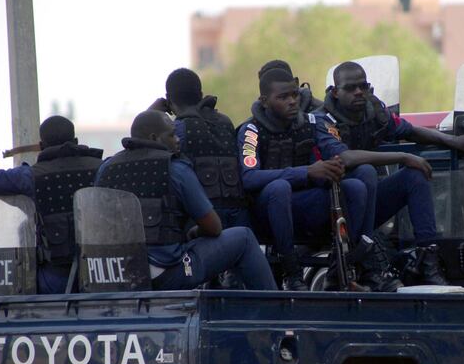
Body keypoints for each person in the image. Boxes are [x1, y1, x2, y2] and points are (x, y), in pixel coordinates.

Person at [312, 61, 464, 285]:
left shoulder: (374, 111)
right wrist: (403, 157)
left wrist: (453, 140)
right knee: (365, 171)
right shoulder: (321, 120)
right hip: (331, 208)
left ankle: (428, 261)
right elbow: (345, 158)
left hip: (365, 206)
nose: (358, 92)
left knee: (414, 175)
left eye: (363, 86)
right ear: (335, 92)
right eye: (350, 87)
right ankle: (367, 263)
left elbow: (410, 130)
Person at [238, 67, 399, 292]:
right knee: (279, 187)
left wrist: (333, 166)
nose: (293, 101)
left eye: (294, 94)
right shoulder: (251, 130)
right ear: (265, 101)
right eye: (283, 97)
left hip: (303, 205)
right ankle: (292, 273)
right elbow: (249, 177)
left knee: (356, 184)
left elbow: (336, 150)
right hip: (266, 214)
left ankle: (349, 265)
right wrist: (307, 172)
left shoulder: (312, 122)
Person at [94, 110, 277, 291]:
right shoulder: (175, 168)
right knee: (244, 237)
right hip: (165, 273)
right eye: (172, 134)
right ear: (154, 138)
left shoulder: (107, 169)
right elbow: (214, 227)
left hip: (113, 273)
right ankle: (274, 315)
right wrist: (194, 232)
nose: (178, 139)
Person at [0, 115, 103, 293]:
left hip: (54, 277)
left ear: (41, 147)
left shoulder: (30, 176)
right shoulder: (103, 169)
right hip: (101, 272)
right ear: (75, 141)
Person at [149, 68, 249, 230]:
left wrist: (151, 113)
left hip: (202, 223)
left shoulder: (176, 129)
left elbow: (141, 150)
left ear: (168, 99)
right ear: (201, 95)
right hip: (239, 219)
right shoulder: (225, 122)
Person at [257, 59, 322, 114]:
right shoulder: (257, 124)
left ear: (296, 83)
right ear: (264, 101)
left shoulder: (321, 115)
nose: (292, 101)